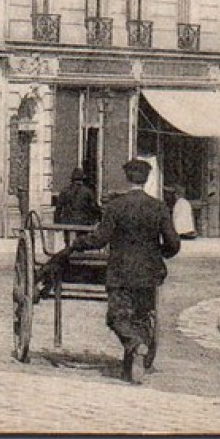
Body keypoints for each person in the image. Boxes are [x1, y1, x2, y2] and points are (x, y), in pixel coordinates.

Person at [65, 158, 181, 384]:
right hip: (148, 273)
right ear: (146, 179)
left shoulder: (116, 206)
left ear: (127, 178)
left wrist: (78, 244)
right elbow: (174, 244)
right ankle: (132, 366)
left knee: (116, 317)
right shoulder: (158, 207)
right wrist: (159, 254)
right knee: (140, 317)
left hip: (120, 272)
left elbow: (100, 239)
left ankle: (134, 345)